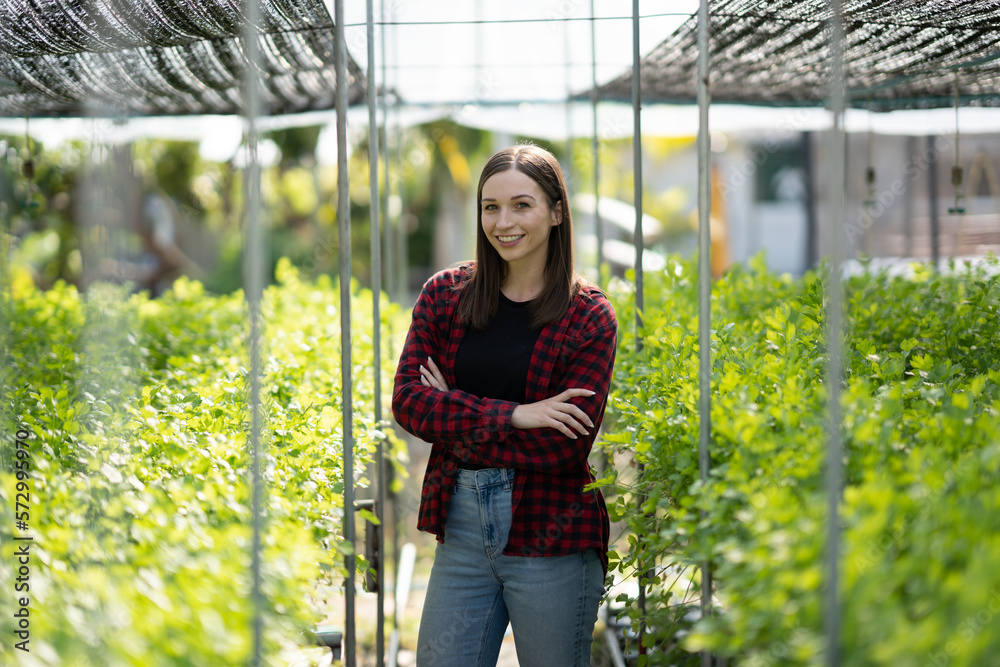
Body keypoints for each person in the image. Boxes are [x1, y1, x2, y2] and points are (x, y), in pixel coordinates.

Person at [391, 144, 618, 667]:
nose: (503, 222)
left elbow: (563, 447)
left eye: (522, 205)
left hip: (551, 535)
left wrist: (453, 410)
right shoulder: (445, 296)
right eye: (490, 207)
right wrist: (516, 413)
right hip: (462, 528)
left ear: (556, 211)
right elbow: (408, 403)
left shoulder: (588, 317)